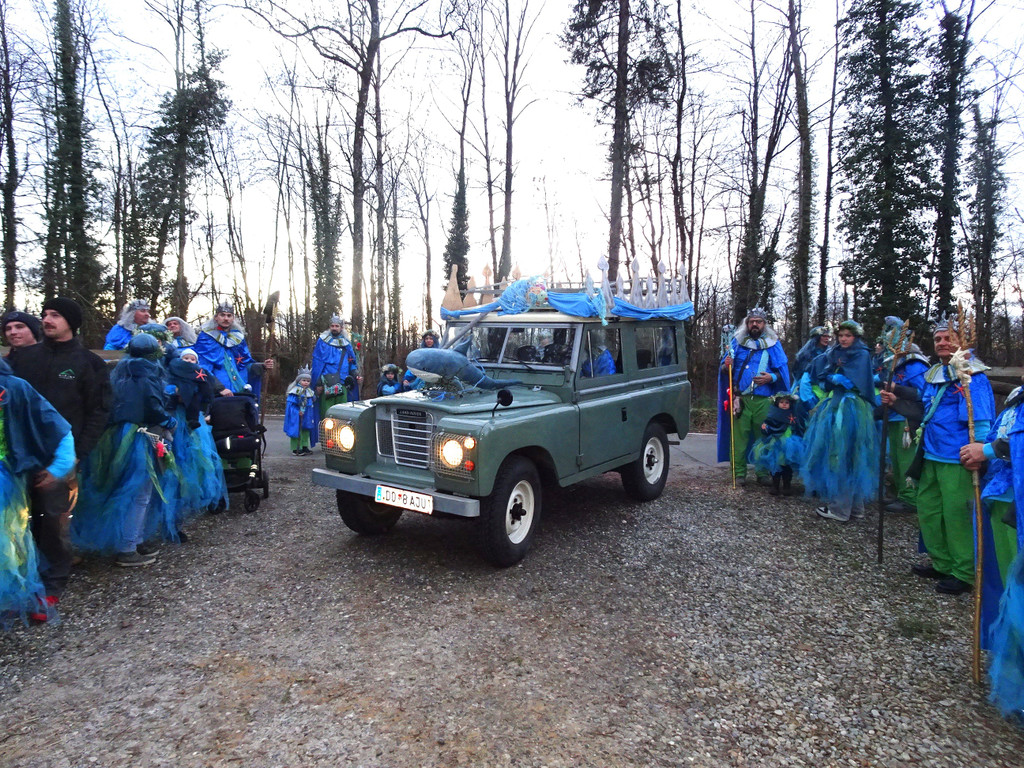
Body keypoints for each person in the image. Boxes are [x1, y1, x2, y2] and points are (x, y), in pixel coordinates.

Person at [882, 317, 995, 594]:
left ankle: (964, 572)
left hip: (957, 458)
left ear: (961, 341)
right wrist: (895, 402)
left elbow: (981, 419)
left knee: (956, 515)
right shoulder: (935, 374)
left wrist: (979, 452)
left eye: (948, 338)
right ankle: (942, 563)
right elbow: (925, 410)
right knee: (930, 511)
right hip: (930, 454)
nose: (942, 343)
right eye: (938, 339)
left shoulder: (972, 376)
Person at [9, 297, 111, 601]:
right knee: (17, 518)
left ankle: (53, 580)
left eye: (55, 315)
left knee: (53, 519)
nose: (47, 319)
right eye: (44, 314)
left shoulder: (88, 363)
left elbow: (99, 411)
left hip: (61, 455)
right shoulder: (23, 358)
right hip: (20, 453)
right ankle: (22, 577)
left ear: (71, 322)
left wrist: (78, 453)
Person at [72, 333, 178, 566]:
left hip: (113, 436)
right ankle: (128, 548)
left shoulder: (117, 373)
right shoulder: (148, 374)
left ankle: (133, 540)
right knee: (140, 493)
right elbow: (153, 407)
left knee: (122, 489)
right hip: (140, 436)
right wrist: (170, 422)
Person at [0, 357, 74, 627]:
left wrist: (59, 467)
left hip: (6, 480)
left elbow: (57, 427)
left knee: (10, 541)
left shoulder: (14, 387)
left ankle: (14, 597)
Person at [802, 320, 877, 522]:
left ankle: (840, 509)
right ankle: (855, 508)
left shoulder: (861, 354)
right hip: (836, 404)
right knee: (847, 455)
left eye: (848, 335)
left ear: (856, 337)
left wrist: (844, 381)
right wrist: (830, 378)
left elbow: (862, 382)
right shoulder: (835, 352)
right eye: (841, 335)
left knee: (844, 454)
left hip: (851, 408)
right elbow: (823, 373)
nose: (843, 339)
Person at [717, 308, 791, 486]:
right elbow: (724, 369)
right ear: (747, 324)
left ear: (764, 324)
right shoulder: (737, 343)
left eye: (758, 321)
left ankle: (762, 473)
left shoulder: (773, 344)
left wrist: (771, 377)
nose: (755, 324)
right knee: (739, 439)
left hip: (764, 400)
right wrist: (726, 365)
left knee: (763, 437)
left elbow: (782, 372)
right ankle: (739, 474)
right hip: (740, 399)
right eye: (752, 322)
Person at [875, 322, 930, 515]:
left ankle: (910, 498)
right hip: (893, 416)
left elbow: (924, 393)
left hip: (907, 419)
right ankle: (900, 493)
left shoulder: (914, 364)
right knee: (896, 459)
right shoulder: (892, 363)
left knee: (907, 458)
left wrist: (896, 389)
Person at [193, 301, 274, 397]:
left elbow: (245, 365)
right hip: (217, 394)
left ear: (233, 318)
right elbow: (202, 367)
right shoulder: (206, 337)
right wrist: (219, 388)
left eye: (229, 315)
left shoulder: (238, 338)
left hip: (239, 391)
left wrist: (263, 366)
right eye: (222, 315)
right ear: (216, 317)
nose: (226, 318)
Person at [750, 393, 803, 497]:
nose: (784, 404)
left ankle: (787, 485)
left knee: (787, 466)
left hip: (789, 443)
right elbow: (768, 426)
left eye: (786, 402)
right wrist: (765, 428)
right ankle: (775, 485)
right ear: (777, 403)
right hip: (775, 442)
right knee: (775, 464)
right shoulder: (773, 415)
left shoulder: (792, 415)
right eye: (781, 402)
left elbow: (797, 427)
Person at [312, 316, 360, 410]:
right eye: (332, 326)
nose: (334, 328)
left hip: (343, 382)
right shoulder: (322, 342)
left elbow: (351, 362)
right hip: (327, 383)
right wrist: (318, 383)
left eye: (337, 326)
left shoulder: (346, 344)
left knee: (342, 412)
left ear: (341, 327)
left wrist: (355, 373)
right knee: (327, 412)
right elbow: (317, 363)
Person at [284, 368, 318, 455]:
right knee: (297, 430)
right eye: (304, 380)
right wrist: (296, 412)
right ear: (299, 380)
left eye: (308, 381)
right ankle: (296, 448)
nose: (306, 383)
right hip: (298, 415)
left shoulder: (309, 391)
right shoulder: (295, 391)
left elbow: (312, 401)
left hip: (307, 415)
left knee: (306, 430)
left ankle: (304, 446)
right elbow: (291, 405)